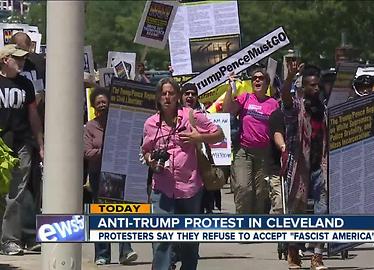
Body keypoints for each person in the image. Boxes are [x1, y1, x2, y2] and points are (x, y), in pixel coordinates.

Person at [142, 78, 224, 270]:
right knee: (162, 239)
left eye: (171, 93)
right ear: (158, 97)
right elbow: (145, 150)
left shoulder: (192, 116)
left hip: (190, 188)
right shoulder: (150, 123)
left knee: (189, 240)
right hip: (162, 188)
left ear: (177, 96)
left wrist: (199, 137)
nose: (167, 97)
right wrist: (150, 160)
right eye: (163, 93)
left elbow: (219, 134)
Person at [281, 62, 328, 270]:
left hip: (321, 164)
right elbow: (284, 97)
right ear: (304, 87)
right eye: (311, 85)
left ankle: (317, 256)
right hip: (299, 165)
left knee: (322, 210)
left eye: (317, 85)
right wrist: (290, 77)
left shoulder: (324, 107)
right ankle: (294, 253)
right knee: (296, 210)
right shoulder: (296, 107)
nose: (316, 88)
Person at [83, 87, 138, 265]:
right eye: (98, 103)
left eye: (104, 102)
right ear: (94, 107)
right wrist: (107, 149)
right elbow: (87, 152)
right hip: (98, 174)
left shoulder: (120, 123)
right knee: (101, 214)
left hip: (118, 171)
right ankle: (103, 254)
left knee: (122, 212)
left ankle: (126, 250)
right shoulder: (90, 126)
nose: (102, 105)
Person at [0, 44, 43, 255]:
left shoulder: (26, 84)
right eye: (17, 59)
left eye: (24, 59)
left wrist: (40, 144)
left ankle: (10, 240)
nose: (22, 62)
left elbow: (33, 116)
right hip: (1, 144)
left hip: (21, 144)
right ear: (5, 59)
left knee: (15, 194)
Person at [223, 68, 279, 214]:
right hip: (244, 151)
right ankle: (243, 224)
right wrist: (230, 87)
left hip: (264, 154)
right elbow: (227, 110)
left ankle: (259, 227)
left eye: (261, 78)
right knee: (243, 188)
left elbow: (278, 128)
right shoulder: (245, 98)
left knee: (261, 193)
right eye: (254, 78)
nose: (257, 80)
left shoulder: (273, 104)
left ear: (267, 83)